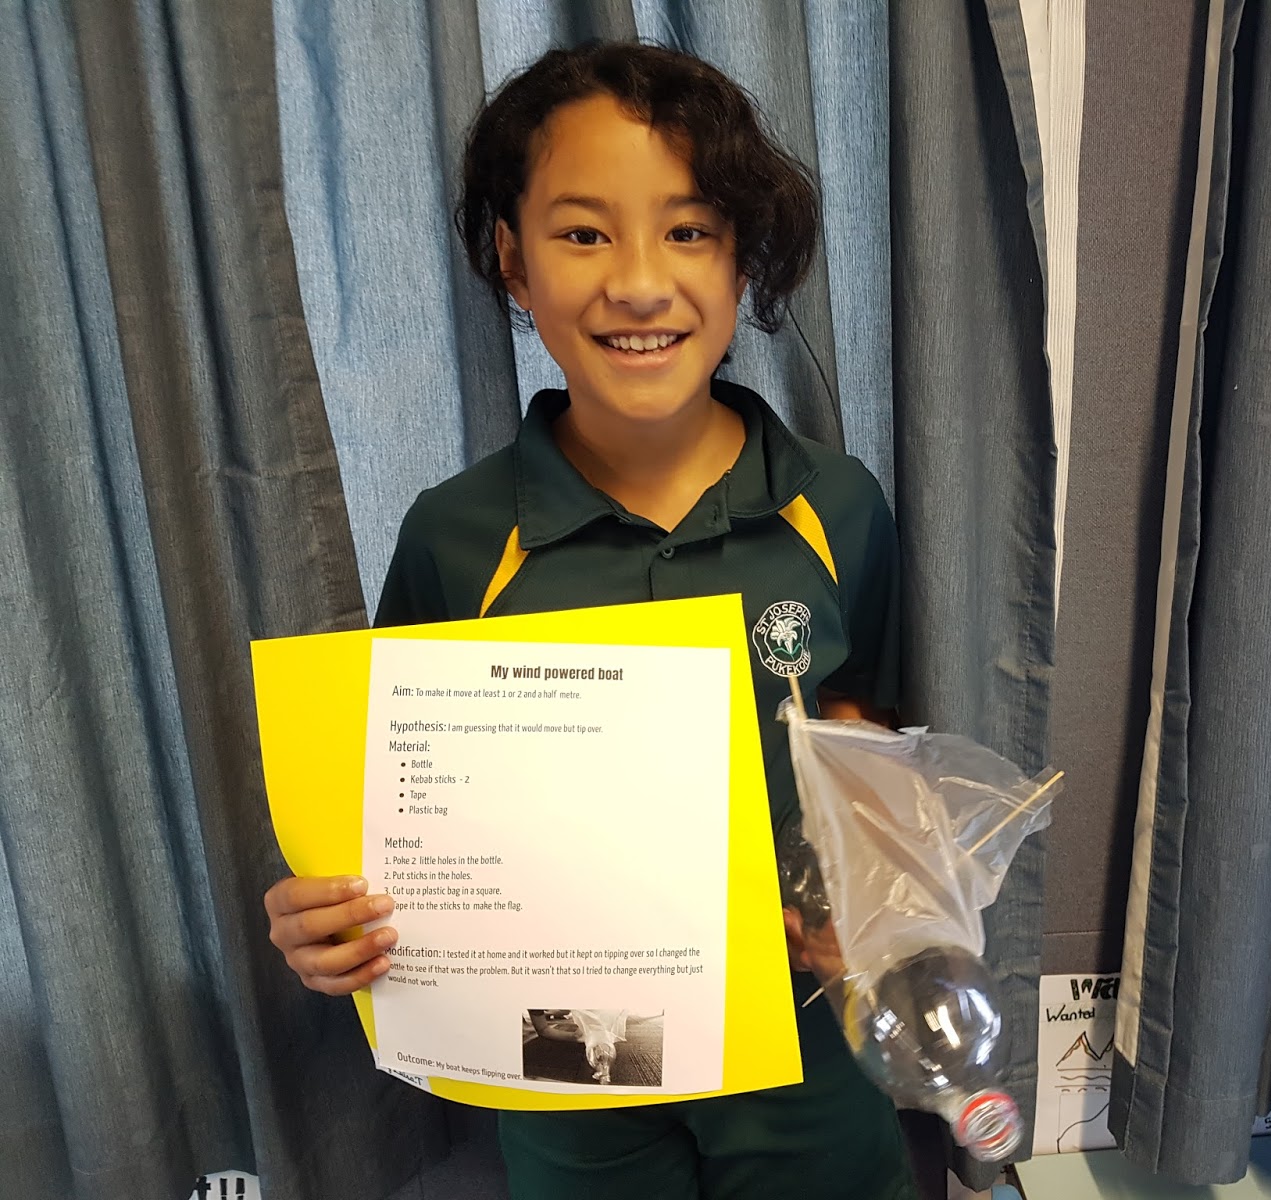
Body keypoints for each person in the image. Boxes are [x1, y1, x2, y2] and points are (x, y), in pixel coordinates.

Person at [262, 40, 915, 1200]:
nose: (639, 283)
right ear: (514, 262)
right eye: (582, 234)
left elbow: (862, 725)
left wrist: (868, 888)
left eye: (689, 229)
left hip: (802, 1032)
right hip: (563, 1050)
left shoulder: (837, 508)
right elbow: (394, 819)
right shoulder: (457, 538)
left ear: (740, 256)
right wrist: (333, 924)